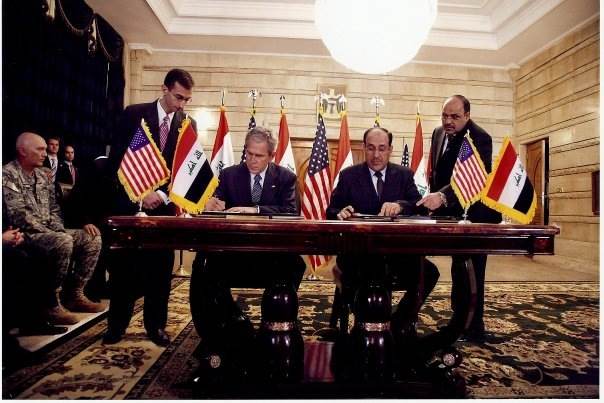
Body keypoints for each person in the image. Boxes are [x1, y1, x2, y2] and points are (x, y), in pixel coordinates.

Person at [190, 126, 306, 376]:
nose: (252, 160)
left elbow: (291, 213)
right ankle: (222, 331)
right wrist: (211, 204)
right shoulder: (229, 175)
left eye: (259, 156)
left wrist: (254, 210)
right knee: (204, 266)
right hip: (236, 255)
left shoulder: (285, 178)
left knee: (295, 265)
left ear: (271, 156)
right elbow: (214, 205)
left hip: (271, 256)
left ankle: (275, 327)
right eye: (249, 154)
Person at [103, 68, 196, 346]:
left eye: (186, 100)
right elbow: (117, 161)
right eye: (178, 97)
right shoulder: (133, 114)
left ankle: (156, 327)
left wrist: (165, 197)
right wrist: (140, 194)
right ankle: (116, 327)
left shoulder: (187, 124)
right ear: (164, 89)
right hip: (131, 206)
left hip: (164, 211)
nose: (181, 105)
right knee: (124, 271)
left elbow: (183, 172)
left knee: (160, 271)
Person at [326, 126, 440, 337]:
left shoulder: (404, 175)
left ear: (390, 150)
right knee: (370, 277)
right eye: (371, 148)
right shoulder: (349, 175)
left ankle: (396, 322)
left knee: (430, 273)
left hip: (396, 253)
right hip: (358, 254)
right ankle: (365, 325)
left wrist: (400, 206)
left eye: (382, 148)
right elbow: (330, 211)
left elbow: (419, 206)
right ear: (363, 148)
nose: (376, 155)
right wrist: (340, 212)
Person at [417, 95, 501, 343]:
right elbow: (438, 171)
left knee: (472, 271)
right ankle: (458, 319)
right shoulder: (437, 132)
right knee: (457, 267)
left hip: (473, 215)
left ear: (467, 115)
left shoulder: (480, 138)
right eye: (445, 115)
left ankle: (474, 326)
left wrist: (442, 198)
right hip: (447, 214)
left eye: (454, 117)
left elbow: (474, 180)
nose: (448, 121)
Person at [2, 132, 104, 327]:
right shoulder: (7, 174)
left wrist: (58, 228)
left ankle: (75, 294)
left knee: (91, 238)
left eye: (44, 149)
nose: (45, 153)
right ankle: (50, 303)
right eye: (39, 149)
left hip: (49, 230)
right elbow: (18, 215)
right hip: (24, 234)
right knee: (63, 241)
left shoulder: (43, 175)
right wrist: (53, 232)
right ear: (22, 151)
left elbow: (55, 208)